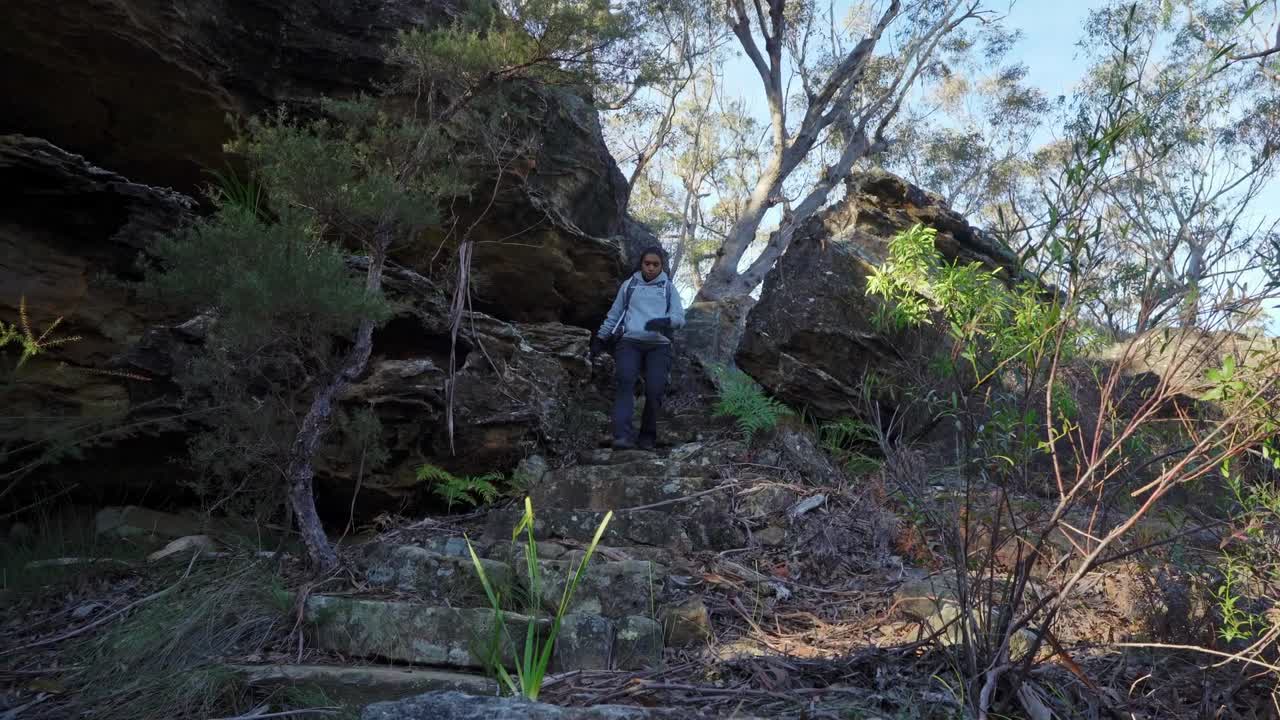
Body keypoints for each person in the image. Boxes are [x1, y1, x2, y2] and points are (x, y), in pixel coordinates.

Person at [589, 247, 686, 450]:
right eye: (647, 263)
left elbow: (679, 318)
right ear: (641, 264)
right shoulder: (629, 285)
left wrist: (664, 322)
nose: (650, 268)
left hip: (659, 345)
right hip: (629, 342)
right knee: (625, 383)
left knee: (655, 389)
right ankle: (622, 436)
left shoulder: (668, 287)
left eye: (655, 264)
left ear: (662, 266)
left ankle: (647, 437)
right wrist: (600, 337)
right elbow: (615, 314)